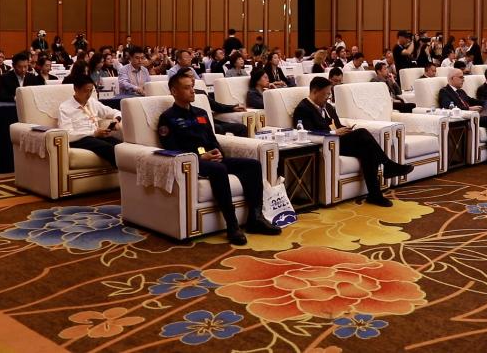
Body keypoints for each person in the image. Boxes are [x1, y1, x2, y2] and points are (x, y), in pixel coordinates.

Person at [159, 69, 281, 245]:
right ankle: (232, 225)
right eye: (187, 88)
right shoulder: (168, 118)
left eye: (192, 86)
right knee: (219, 169)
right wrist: (202, 156)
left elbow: (212, 138)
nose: (192, 91)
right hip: (193, 163)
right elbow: (171, 148)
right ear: (174, 91)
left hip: (212, 158)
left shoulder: (201, 113)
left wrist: (217, 152)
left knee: (253, 165)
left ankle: (255, 218)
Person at [293, 77, 413, 207]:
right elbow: (306, 133)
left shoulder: (328, 107)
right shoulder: (303, 109)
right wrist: (333, 133)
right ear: (315, 91)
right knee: (362, 133)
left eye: (329, 94)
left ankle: (375, 195)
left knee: (368, 151)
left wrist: (346, 130)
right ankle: (388, 165)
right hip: (327, 145)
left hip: (339, 141)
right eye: (326, 94)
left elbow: (337, 125)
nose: (328, 97)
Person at [57, 75, 122, 166]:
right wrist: (93, 133)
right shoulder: (65, 108)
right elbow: (67, 134)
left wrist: (116, 120)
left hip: (96, 137)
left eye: (91, 91)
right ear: (75, 89)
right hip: (79, 139)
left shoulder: (92, 102)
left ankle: (129, 171)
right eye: (85, 91)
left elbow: (115, 112)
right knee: (107, 147)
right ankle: (124, 171)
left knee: (120, 146)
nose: (88, 94)